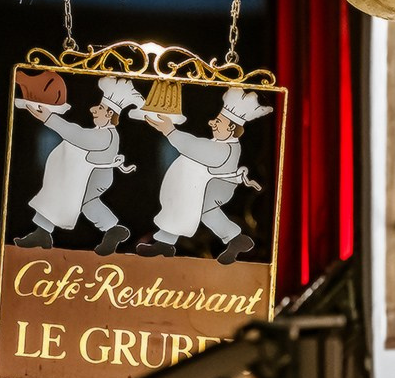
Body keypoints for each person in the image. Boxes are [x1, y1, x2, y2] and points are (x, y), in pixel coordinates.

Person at [136, 86, 271, 264]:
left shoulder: (225, 148)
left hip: (213, 188)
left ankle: (165, 243)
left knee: (185, 209)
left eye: (218, 121)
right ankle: (236, 240)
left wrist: (171, 131)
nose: (212, 123)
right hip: (209, 187)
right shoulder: (223, 143)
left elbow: (195, 147)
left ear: (230, 128)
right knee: (206, 213)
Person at [15, 76, 144, 255]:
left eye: (99, 108)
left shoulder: (105, 135)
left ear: (108, 114)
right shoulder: (102, 132)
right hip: (91, 174)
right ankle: (43, 232)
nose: (93, 110)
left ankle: (113, 230)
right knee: (76, 200)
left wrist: (50, 118)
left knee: (76, 199)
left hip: (94, 176)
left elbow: (77, 135)